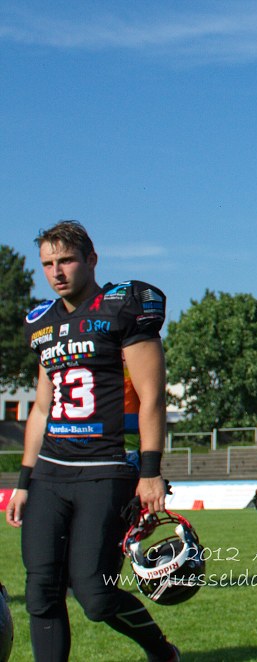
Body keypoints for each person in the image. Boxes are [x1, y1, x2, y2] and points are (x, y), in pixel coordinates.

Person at [5, 221, 179, 661]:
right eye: (47, 263)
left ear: (91, 259)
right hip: (50, 473)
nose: (56, 271)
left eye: (65, 260)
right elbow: (41, 408)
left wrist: (152, 471)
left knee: (95, 597)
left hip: (105, 470)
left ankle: (161, 652)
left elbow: (152, 396)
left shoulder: (123, 307)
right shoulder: (42, 323)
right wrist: (23, 481)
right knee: (41, 590)